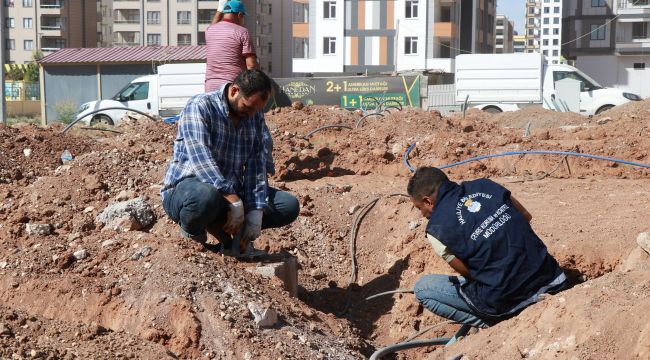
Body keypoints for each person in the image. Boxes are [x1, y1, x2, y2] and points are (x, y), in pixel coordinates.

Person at [407, 167, 568, 328]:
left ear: (428, 201)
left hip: (507, 302)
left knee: (423, 288)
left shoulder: (436, 228)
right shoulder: (486, 185)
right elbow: (525, 216)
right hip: (553, 278)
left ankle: (495, 324)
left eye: (419, 207)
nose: (422, 214)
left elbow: (468, 273)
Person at [161, 69, 299, 254]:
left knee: (288, 205)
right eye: (248, 107)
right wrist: (233, 200)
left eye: (257, 110)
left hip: (227, 195)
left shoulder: (254, 116)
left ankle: (231, 242)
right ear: (234, 91)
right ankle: (194, 241)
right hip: (189, 189)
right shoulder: (200, 106)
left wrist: (255, 209)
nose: (252, 114)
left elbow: (256, 165)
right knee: (205, 196)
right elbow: (201, 158)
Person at [204, 0, 259, 93]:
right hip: (232, 87)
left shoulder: (209, 31)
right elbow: (251, 65)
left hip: (210, 86)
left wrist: (219, 10)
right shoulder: (242, 32)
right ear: (239, 15)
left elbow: (212, 25)